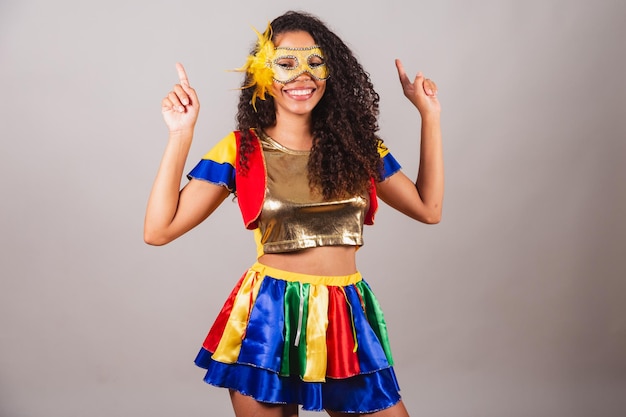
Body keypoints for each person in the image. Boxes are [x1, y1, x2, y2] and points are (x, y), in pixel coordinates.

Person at [144, 10, 443, 417]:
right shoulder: (242, 150)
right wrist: (180, 134)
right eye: (285, 64)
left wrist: (430, 116)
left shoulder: (359, 150)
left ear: (329, 71)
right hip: (269, 317)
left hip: (344, 316)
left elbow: (429, 209)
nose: (301, 76)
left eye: (314, 63)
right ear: (263, 74)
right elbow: (158, 230)